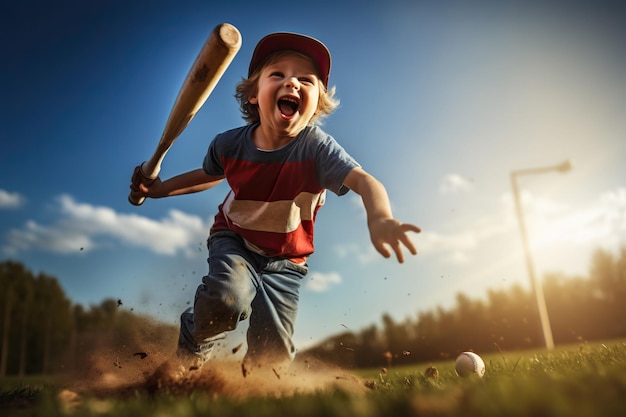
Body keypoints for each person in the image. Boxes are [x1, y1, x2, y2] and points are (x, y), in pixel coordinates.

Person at [130, 32, 421, 376]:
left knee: (274, 359)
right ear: (253, 95)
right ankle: (190, 356)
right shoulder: (229, 144)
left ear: (318, 102)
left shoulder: (317, 148)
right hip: (236, 241)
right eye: (278, 75)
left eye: (305, 79)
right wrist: (161, 189)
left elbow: (365, 181)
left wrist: (381, 217)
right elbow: (211, 175)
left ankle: (253, 391)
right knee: (227, 300)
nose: (292, 83)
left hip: (287, 263)